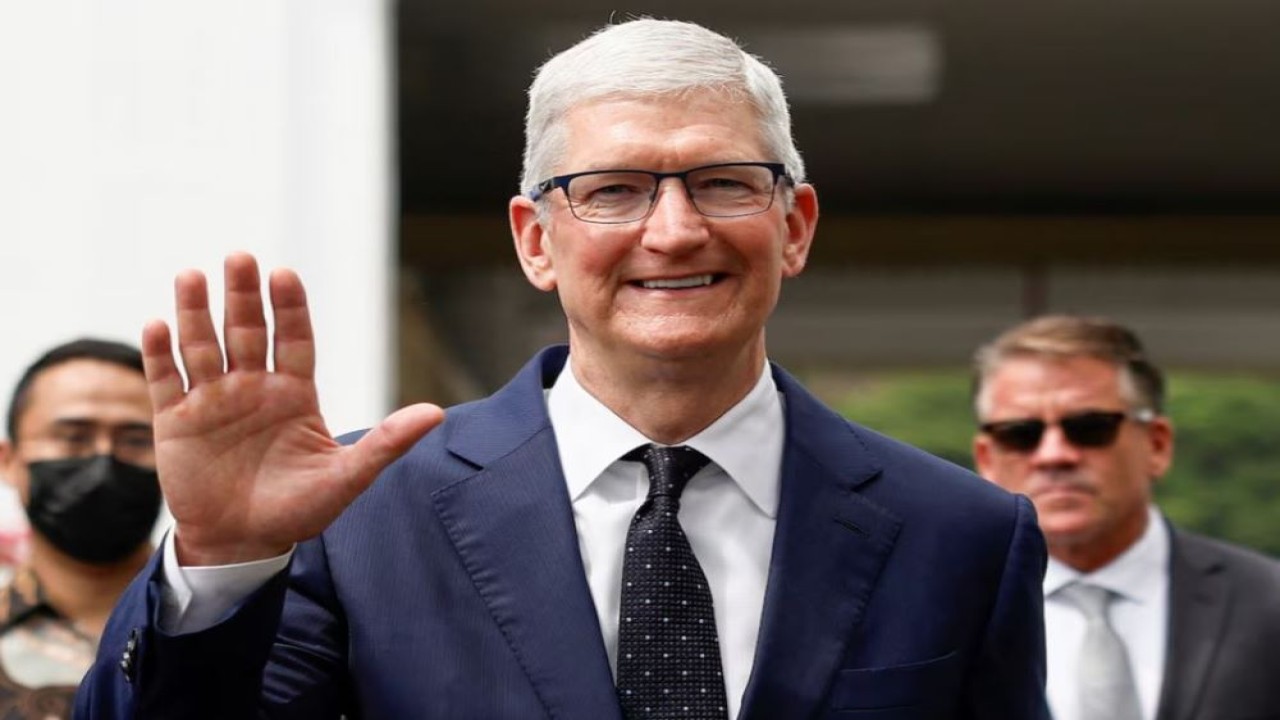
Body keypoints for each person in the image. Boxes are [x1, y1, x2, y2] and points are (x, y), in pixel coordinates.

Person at [76, 18, 1048, 719]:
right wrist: (221, 568)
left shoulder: (958, 533)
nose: (674, 231)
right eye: (613, 191)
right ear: (535, 240)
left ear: (790, 226)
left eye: (721, 183)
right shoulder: (353, 517)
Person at [971, 314, 1280, 720]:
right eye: (1020, 433)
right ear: (986, 460)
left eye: (1090, 427)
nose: (1053, 455)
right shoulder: (943, 614)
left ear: (1157, 445)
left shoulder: (1268, 601)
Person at [0, 339, 161, 718]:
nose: (104, 460)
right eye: (73, 437)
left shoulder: (235, 626)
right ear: (9, 462)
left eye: (136, 440)